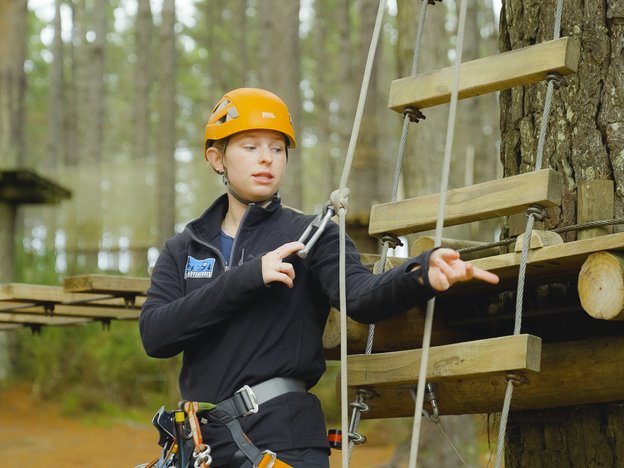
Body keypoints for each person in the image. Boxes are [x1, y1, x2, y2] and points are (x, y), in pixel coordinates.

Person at [139, 87, 499, 468]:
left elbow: (361, 295)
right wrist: (248, 276)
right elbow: (156, 336)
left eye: (277, 149)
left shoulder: (311, 234)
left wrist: (421, 273)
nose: (266, 158)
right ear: (217, 158)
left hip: (283, 439)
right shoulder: (186, 247)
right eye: (250, 147)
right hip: (202, 447)